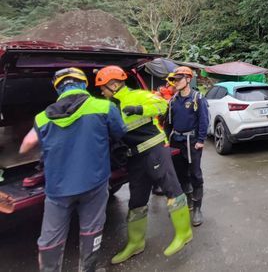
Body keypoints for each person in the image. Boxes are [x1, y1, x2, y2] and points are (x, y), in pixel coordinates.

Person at [19, 67, 127, 272]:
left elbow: (26, 145)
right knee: (92, 228)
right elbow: (120, 131)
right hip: (94, 183)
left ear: (58, 89)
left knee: (51, 237)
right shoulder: (103, 107)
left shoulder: (42, 117)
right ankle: (88, 268)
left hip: (58, 189)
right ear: (84, 84)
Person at [94, 66, 192, 264]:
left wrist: (140, 109)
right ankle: (135, 243)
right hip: (134, 157)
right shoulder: (106, 105)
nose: (101, 91)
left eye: (102, 87)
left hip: (154, 149)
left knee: (171, 189)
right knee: (136, 200)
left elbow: (162, 106)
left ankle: (184, 232)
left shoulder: (137, 95)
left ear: (113, 85)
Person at [163, 66, 209, 227]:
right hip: (176, 141)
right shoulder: (173, 100)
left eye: (179, 79)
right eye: (174, 79)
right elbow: (167, 121)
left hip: (192, 142)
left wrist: (201, 140)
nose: (176, 82)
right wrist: (166, 139)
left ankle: (197, 209)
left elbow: (204, 120)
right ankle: (188, 201)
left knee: (195, 174)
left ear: (188, 79)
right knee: (180, 174)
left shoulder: (198, 98)